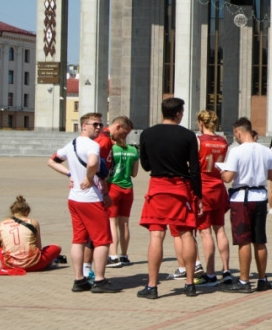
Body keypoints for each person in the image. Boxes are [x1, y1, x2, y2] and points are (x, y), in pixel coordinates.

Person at [136, 96, 202, 299]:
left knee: (156, 235)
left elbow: (146, 165)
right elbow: (194, 169)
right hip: (180, 188)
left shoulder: (147, 134)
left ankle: (152, 286)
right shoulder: (188, 135)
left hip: (157, 187)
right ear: (178, 113)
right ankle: (190, 284)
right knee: (186, 234)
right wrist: (198, 195)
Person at [49, 112, 118, 293]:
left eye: (100, 125)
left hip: (74, 198)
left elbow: (52, 161)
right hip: (91, 199)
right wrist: (88, 177)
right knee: (102, 241)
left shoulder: (71, 145)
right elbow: (94, 162)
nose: (98, 128)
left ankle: (79, 279)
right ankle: (100, 280)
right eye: (94, 124)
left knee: (79, 239)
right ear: (84, 126)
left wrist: (69, 174)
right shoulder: (92, 145)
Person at [219, 117, 272, 292]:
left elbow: (228, 178)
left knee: (244, 241)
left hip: (241, 199)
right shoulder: (266, 151)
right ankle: (262, 278)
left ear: (238, 132)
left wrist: (221, 172)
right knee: (260, 240)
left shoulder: (236, 151)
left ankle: (244, 281)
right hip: (260, 197)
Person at [196, 110, 232, 284]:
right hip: (218, 186)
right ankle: (226, 270)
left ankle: (210, 272)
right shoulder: (223, 142)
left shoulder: (199, 140)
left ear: (201, 123)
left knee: (205, 231)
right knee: (220, 229)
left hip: (203, 187)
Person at [99, 116, 140, 266]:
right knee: (125, 224)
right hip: (128, 188)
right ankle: (124, 255)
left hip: (113, 187)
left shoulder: (112, 148)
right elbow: (134, 174)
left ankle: (113, 255)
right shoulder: (133, 150)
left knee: (112, 223)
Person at [0, 195, 62, 274]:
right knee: (57, 247)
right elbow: (38, 247)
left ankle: (9, 260)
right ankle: (46, 263)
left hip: (10, 264)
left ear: (12, 212)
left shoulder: (1, 223)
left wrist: (2, 240)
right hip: (34, 264)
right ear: (27, 212)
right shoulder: (33, 222)